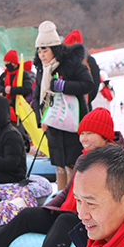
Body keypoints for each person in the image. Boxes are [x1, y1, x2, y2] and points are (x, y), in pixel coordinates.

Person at [0, 108, 122, 247]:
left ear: (104, 135)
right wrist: (48, 208)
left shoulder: (114, 163)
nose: (83, 138)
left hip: (93, 221)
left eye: (90, 133)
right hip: (71, 214)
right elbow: (67, 192)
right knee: (28, 215)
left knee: (64, 220)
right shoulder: (83, 159)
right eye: (82, 133)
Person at [32, 20, 95, 190]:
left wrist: (64, 86)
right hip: (52, 125)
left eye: (44, 49)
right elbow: (37, 96)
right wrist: (41, 119)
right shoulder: (41, 69)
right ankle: (61, 202)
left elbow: (88, 84)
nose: (41, 54)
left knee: (73, 165)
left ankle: (74, 203)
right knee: (59, 165)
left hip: (73, 123)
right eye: (39, 50)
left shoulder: (71, 64)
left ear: (54, 48)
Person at [62, 30, 100, 113]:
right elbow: (95, 85)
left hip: (70, 109)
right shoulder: (90, 61)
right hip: (82, 108)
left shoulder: (64, 63)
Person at [0, 50, 33, 114]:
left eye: (7, 62)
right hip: (6, 105)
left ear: (14, 63)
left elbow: (27, 88)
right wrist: (4, 89)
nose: (6, 64)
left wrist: (12, 90)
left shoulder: (23, 74)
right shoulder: (5, 74)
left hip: (20, 106)